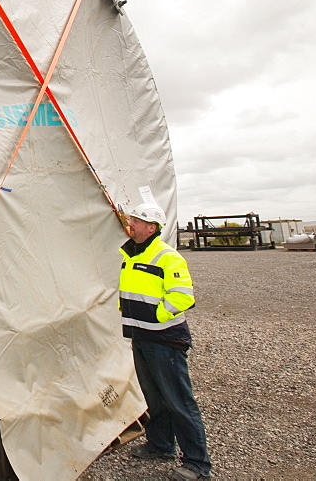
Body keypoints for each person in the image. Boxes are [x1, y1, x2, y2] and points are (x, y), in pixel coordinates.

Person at [119, 203, 212, 480]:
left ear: (151, 227)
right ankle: (161, 445)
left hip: (164, 340)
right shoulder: (131, 255)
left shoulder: (167, 257)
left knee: (179, 402)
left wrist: (157, 316)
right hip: (140, 336)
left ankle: (197, 463)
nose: (131, 224)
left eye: (136, 221)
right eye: (132, 219)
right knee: (155, 398)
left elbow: (183, 296)